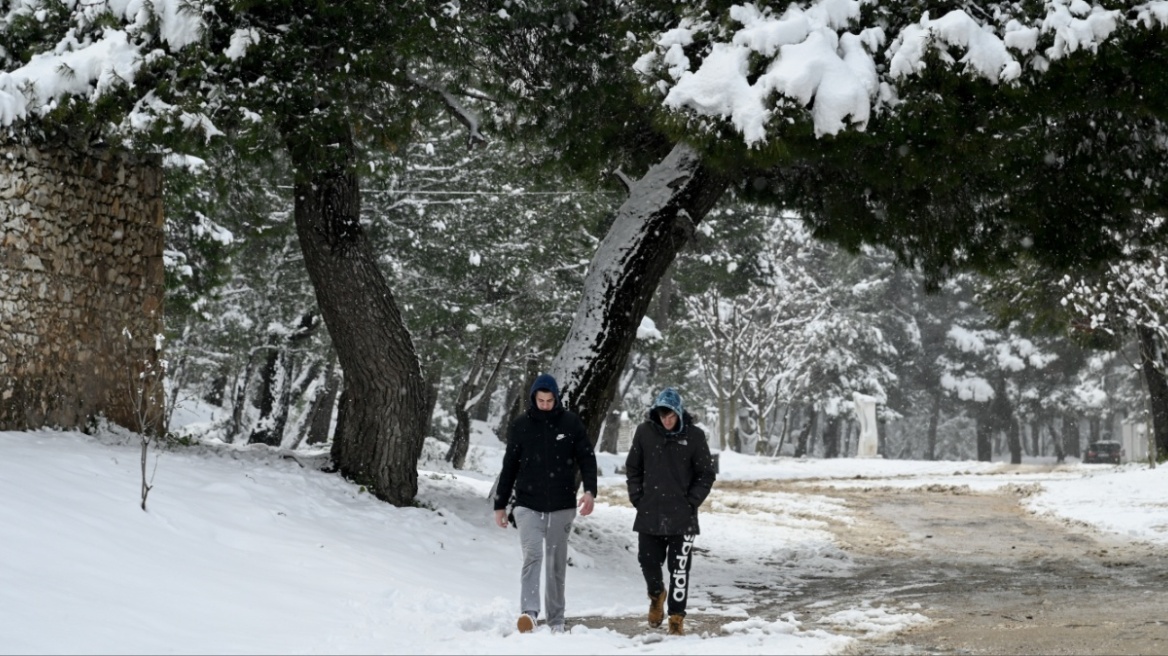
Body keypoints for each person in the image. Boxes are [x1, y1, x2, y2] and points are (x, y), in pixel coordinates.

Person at [493, 373, 598, 634]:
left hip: (562, 505)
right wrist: (500, 504)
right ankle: (528, 613)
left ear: (557, 399)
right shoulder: (521, 425)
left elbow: (586, 458)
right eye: (540, 400)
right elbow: (509, 467)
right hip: (527, 503)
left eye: (549, 400)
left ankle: (556, 619)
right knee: (533, 555)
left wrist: (590, 491)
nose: (545, 405)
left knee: (555, 561)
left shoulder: (570, 423)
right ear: (533, 399)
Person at [625, 387, 717, 636]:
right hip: (649, 513)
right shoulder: (645, 432)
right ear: (656, 414)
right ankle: (656, 596)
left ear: (679, 414)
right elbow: (633, 467)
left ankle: (676, 617)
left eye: (671, 415)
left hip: (683, 516)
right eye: (662, 415)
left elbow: (706, 473)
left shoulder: (694, 436)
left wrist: (692, 501)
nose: (667, 420)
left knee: (679, 569)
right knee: (647, 561)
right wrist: (637, 497)